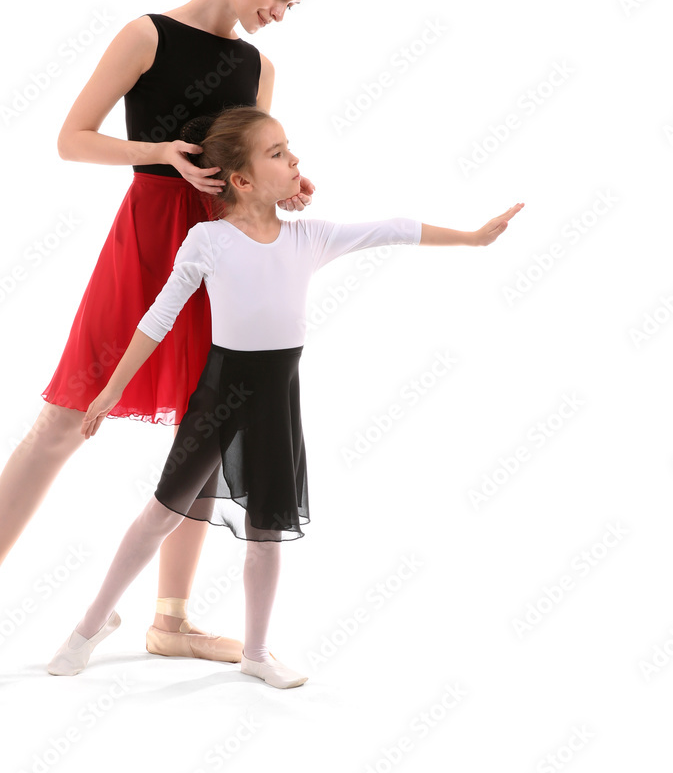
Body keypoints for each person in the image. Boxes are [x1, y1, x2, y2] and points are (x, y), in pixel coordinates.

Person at [0, 0, 322, 672]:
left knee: (202, 431)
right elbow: (72, 138)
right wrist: (159, 150)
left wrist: (279, 191)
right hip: (145, 239)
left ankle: (173, 620)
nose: (281, 13)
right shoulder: (147, 35)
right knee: (64, 418)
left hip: (220, 250)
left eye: (294, 6)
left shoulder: (258, 69)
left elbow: (247, 165)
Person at [44, 107, 525, 688]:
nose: (294, 159)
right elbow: (159, 316)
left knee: (266, 532)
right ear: (241, 180)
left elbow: (395, 227)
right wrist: (110, 390)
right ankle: (90, 626)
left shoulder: (309, 237)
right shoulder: (209, 239)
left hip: (277, 402)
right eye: (277, 153)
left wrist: (472, 238)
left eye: (289, 149)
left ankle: (257, 651)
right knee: (159, 515)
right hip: (219, 397)